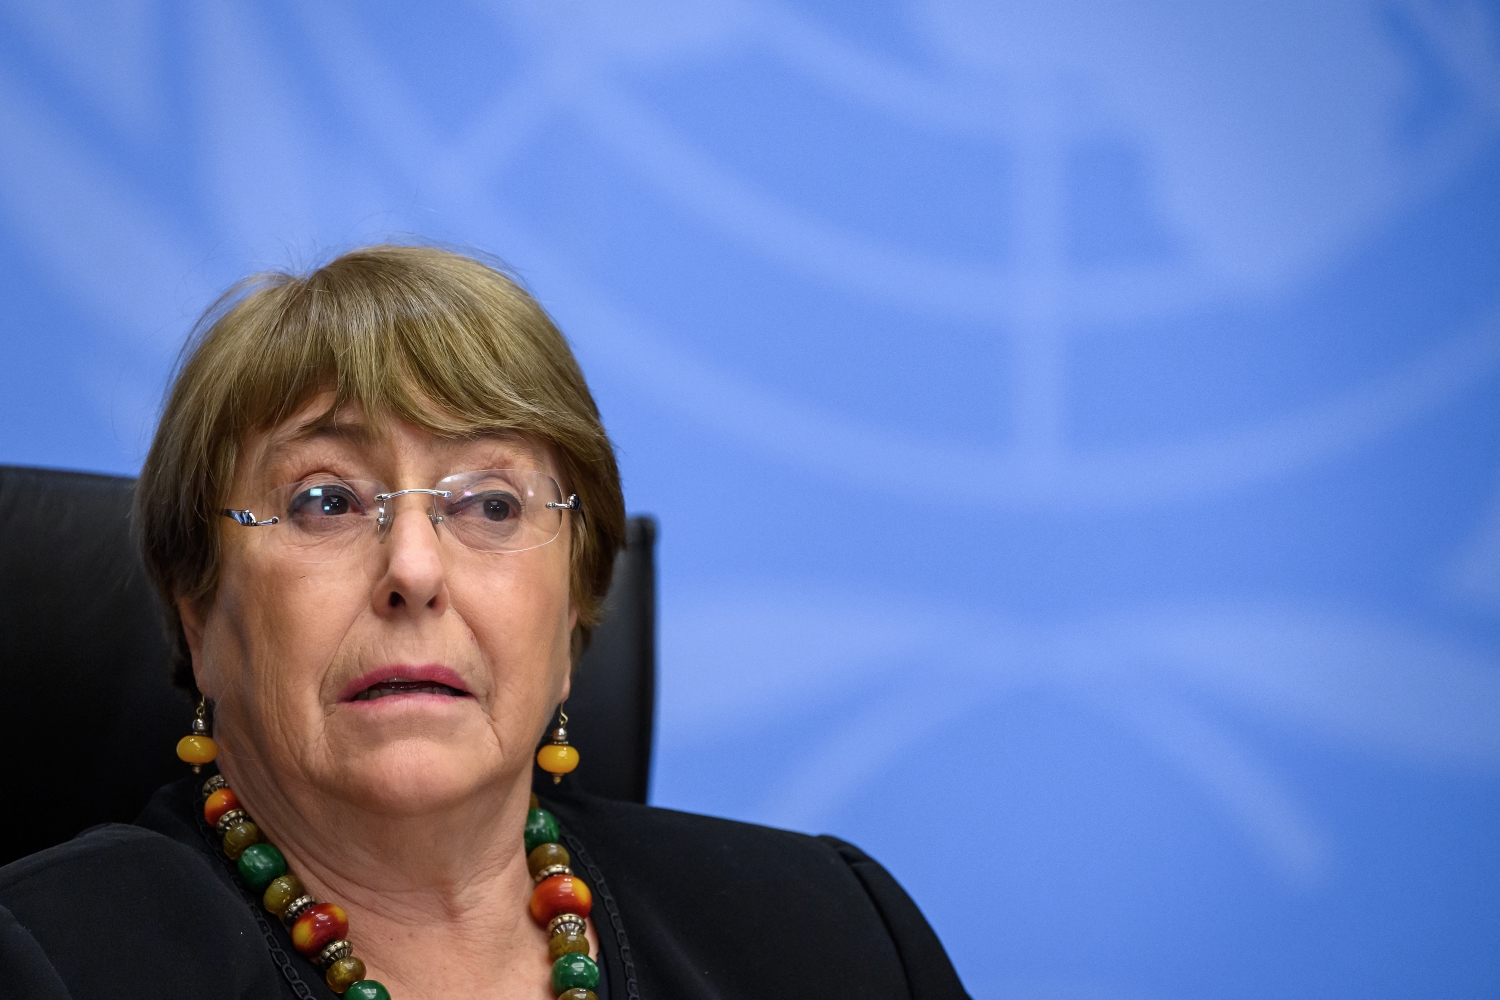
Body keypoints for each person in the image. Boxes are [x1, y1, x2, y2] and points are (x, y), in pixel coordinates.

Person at [0, 245, 967, 1000]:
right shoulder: (48, 967)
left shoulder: (833, 938)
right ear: (199, 610)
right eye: (327, 501)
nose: (414, 571)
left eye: (491, 505)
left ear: (578, 609)